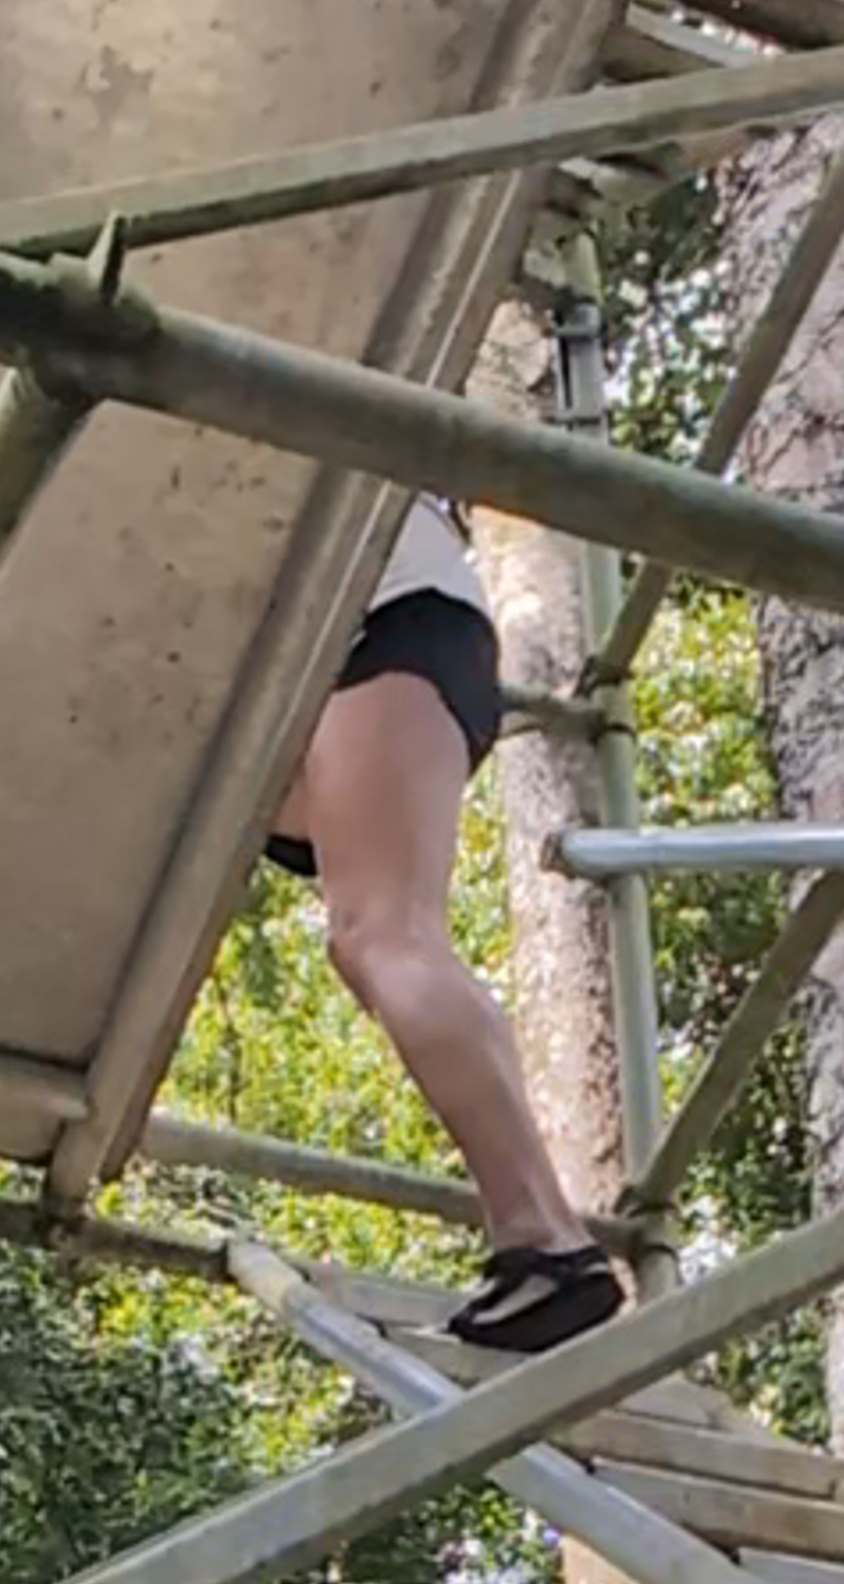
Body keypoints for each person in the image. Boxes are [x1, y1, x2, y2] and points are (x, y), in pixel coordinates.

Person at [264, 503, 627, 1359]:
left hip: (385, 613)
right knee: (378, 942)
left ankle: (550, 1241)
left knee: (386, 936)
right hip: (399, 625)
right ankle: (539, 1231)